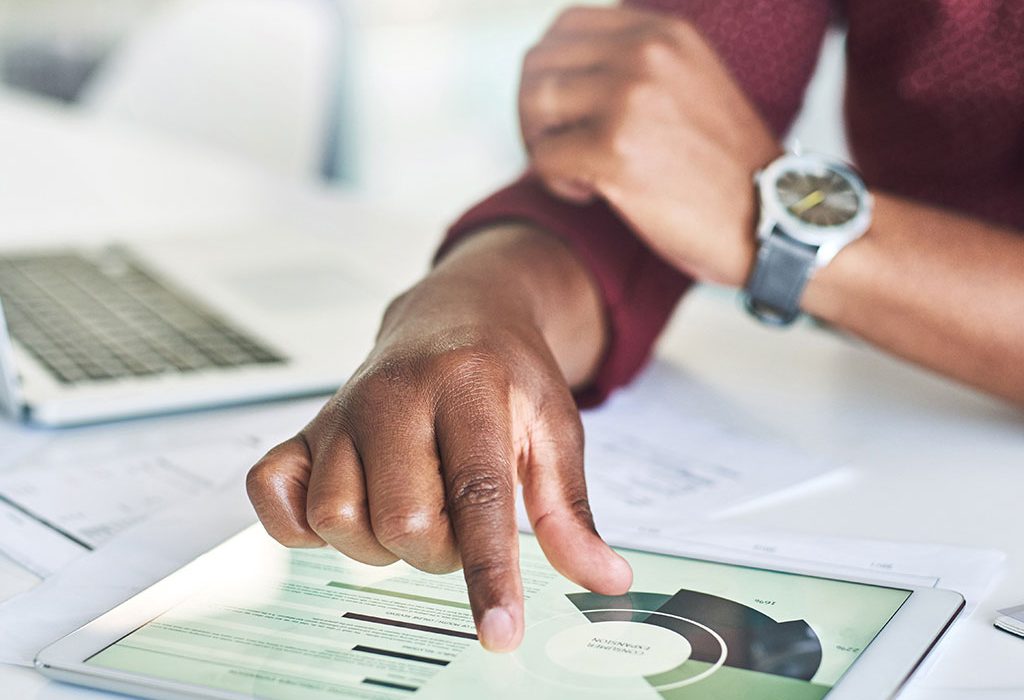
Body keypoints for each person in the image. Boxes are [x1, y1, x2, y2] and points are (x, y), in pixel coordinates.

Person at [246, 1, 1024, 654]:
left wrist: (770, 223)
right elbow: (653, 149)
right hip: (902, 430)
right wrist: (469, 305)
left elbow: (723, 192)